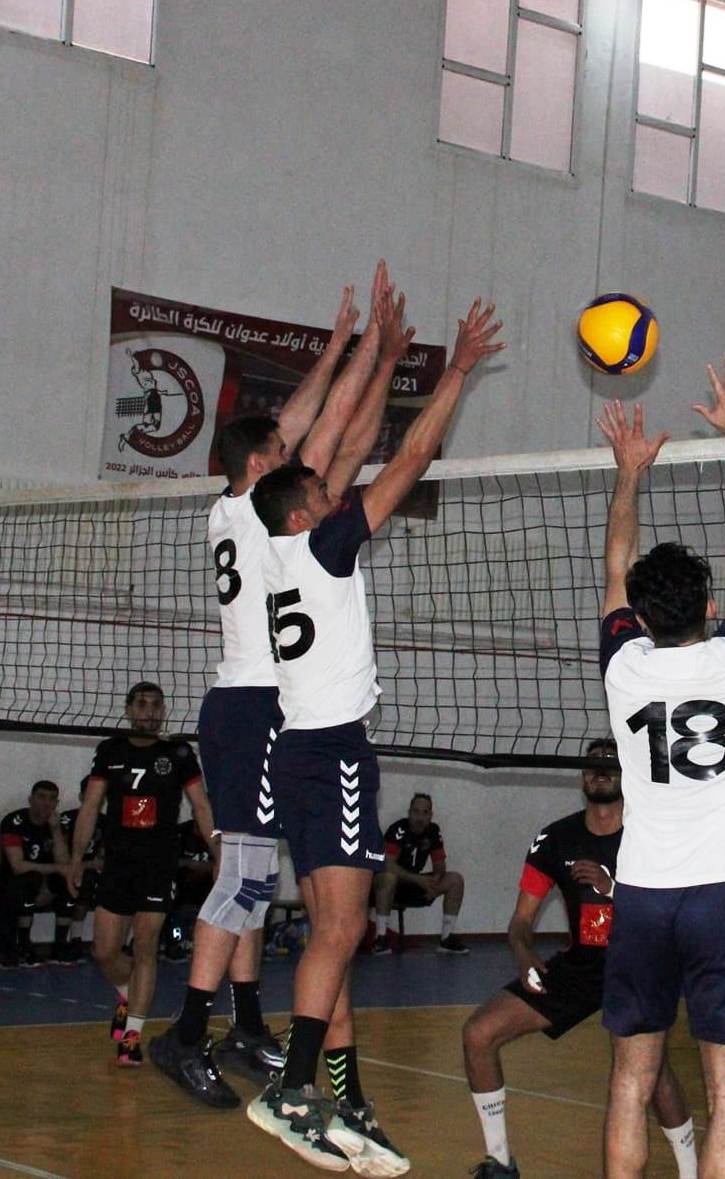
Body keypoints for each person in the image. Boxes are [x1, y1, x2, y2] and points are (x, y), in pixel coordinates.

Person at [245, 288, 501, 1174]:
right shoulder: (321, 545)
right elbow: (409, 456)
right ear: (305, 512)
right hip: (334, 752)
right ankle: (296, 1084)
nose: (334, 485)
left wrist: (387, 356)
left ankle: (340, 1095)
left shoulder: (276, 556)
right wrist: (456, 370)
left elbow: (349, 451)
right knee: (339, 931)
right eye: (322, 488)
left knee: (334, 930)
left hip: (292, 749)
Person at [152, 276, 380, 1111]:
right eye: (281, 455)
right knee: (245, 877)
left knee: (252, 870)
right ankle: (186, 1033)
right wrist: (363, 355)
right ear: (259, 469)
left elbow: (295, 424)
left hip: (251, 706)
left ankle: (245, 1018)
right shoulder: (254, 507)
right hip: (252, 705)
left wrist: (336, 343)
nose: (297, 460)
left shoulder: (231, 508)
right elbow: (316, 429)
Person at [597, 357, 725, 1179]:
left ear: (638, 611)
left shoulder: (622, 667)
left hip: (642, 894)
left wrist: (629, 473)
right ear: (711, 606)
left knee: (631, 1080)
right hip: (722, 897)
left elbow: (614, 563)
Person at [461, 740, 698, 1179]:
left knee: (653, 1070)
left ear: (627, 774)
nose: (600, 772)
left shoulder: (652, 833)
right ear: (581, 777)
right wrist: (523, 952)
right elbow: (520, 921)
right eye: (591, 766)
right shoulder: (556, 838)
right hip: (582, 966)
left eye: (610, 764)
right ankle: (499, 1164)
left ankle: (691, 1171)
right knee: (479, 1034)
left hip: (641, 963)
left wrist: (614, 889)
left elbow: (679, 910)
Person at [66, 682, 217, 1067]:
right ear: (129, 709)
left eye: (156, 705)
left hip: (158, 864)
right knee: (103, 951)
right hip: (118, 862)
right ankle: (126, 992)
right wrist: (75, 858)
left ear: (163, 711)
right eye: (142, 705)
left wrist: (219, 854)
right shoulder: (111, 750)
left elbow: (200, 806)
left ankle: (132, 1035)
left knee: (146, 946)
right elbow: (90, 806)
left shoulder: (178, 753)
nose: (149, 712)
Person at [372, 792, 468, 955]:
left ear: (431, 815)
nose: (420, 817)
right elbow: (387, 863)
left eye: (425, 813)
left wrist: (436, 882)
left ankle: (446, 938)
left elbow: (439, 864)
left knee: (455, 879)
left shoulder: (433, 831)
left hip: (414, 884)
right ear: (409, 813)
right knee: (388, 876)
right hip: (389, 886)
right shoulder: (398, 829)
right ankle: (380, 938)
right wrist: (417, 880)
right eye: (416, 812)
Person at [1, 780, 68, 968]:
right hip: (11, 879)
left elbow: (64, 864)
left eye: (52, 799)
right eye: (41, 797)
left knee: (70, 882)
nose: (46, 803)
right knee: (23, 883)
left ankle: (61, 945)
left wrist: (55, 830)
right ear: (31, 799)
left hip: (40, 878)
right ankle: (17, 945)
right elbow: (17, 866)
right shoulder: (15, 821)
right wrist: (48, 876)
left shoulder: (57, 824)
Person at [53, 777, 105, 965]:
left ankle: (77, 939)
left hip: (90, 870)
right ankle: (60, 943)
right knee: (74, 882)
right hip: (65, 868)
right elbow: (62, 854)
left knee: (93, 881)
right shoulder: (69, 818)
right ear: (82, 796)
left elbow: (103, 855)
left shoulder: (105, 821)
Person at [161, 818, 218, 962]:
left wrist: (209, 867)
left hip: (208, 890)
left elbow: (224, 861)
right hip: (181, 889)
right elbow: (168, 861)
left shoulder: (217, 835)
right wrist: (189, 864)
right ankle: (174, 942)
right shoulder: (180, 833)